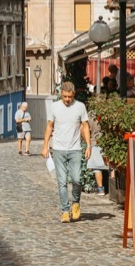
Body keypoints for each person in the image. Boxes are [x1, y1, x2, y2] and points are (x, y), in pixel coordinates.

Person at [42, 81, 91, 223]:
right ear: (61, 94)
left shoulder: (80, 107)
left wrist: (88, 145)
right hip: (58, 149)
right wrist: (45, 145)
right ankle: (64, 210)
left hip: (75, 149)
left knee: (76, 179)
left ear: (73, 95)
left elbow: (85, 126)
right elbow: (49, 126)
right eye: (64, 97)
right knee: (62, 181)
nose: (67, 100)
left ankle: (75, 203)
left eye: (69, 97)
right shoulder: (54, 107)